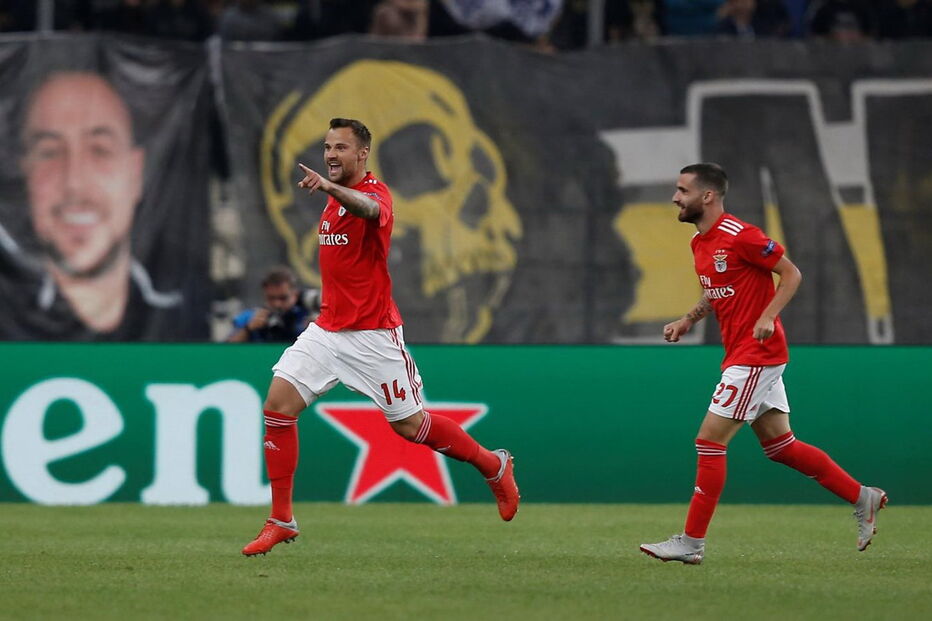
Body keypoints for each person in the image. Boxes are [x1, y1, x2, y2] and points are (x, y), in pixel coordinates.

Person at [241, 118, 520, 556]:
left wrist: (331, 189)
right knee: (277, 406)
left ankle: (493, 464)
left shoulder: (373, 194)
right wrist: (331, 192)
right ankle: (281, 519)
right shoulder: (333, 202)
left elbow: (371, 211)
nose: (331, 154)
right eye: (327, 146)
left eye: (341, 148)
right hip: (328, 331)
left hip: (374, 337)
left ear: (362, 154)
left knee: (411, 425)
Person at [639, 163, 887, 565]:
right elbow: (717, 292)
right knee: (781, 447)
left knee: (709, 441)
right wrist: (689, 318)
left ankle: (691, 542)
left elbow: (791, 274)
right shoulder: (699, 244)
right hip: (742, 354)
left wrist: (768, 316)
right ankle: (863, 496)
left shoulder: (742, 235)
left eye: (683, 190)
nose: (675, 197)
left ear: (708, 196)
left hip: (757, 355)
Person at [7, 70, 186, 340]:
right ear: (25, 173)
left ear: (136, 171)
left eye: (100, 150)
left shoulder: (186, 309)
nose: (74, 182)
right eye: (49, 153)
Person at [227, 266, 320, 343]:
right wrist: (248, 329)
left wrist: (317, 329)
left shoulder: (308, 316)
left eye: (283, 298)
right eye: (271, 298)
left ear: (295, 295)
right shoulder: (252, 317)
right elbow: (225, 350)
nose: (277, 304)